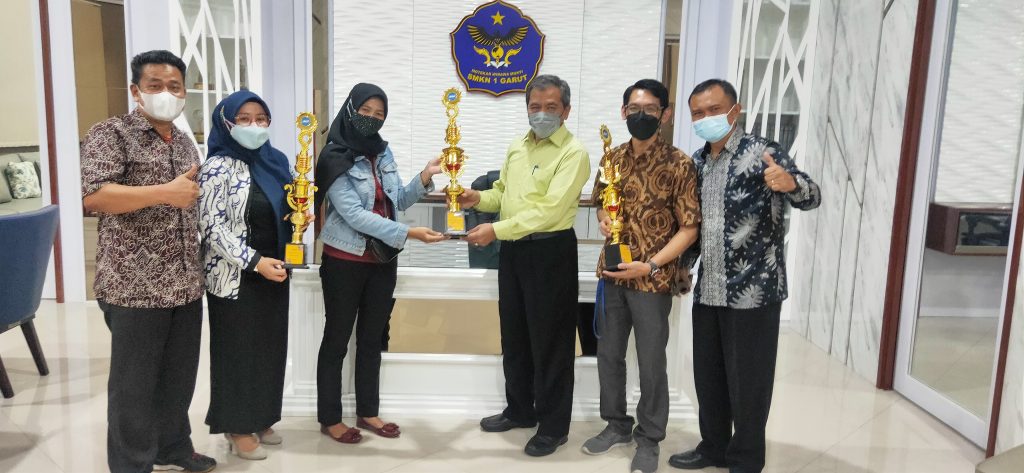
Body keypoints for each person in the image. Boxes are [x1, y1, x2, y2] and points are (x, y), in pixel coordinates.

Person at [668, 79, 821, 473]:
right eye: (698, 113)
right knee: (709, 378)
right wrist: (684, 264)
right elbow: (698, 225)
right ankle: (713, 448)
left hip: (754, 291)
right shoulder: (697, 163)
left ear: (734, 111)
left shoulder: (763, 152)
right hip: (709, 289)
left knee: (749, 384)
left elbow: (812, 195)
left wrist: (790, 183)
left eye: (714, 110)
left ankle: (746, 460)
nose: (706, 118)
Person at [80, 50, 216, 473]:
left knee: (178, 379)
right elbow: (94, 197)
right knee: (134, 387)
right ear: (136, 90)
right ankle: (131, 464)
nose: (166, 94)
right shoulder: (112, 133)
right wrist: (163, 193)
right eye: (155, 85)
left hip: (184, 282)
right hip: (134, 286)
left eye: (174, 86)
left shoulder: (184, 139)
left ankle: (171, 448)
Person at [457, 74, 592, 457]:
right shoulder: (517, 146)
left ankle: (553, 427)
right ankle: (519, 410)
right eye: (535, 107)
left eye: (551, 107)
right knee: (514, 335)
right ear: (527, 108)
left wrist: (495, 230)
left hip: (550, 252)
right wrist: (476, 198)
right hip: (514, 252)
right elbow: (502, 194)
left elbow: (550, 211)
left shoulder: (574, 153)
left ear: (566, 111)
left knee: (551, 343)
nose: (542, 114)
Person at [314, 83, 445, 444]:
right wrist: (409, 233)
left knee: (373, 339)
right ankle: (330, 418)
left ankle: (368, 411)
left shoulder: (382, 152)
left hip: (382, 260)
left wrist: (424, 176)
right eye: (365, 111)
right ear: (351, 110)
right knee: (337, 340)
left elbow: (397, 199)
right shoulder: (334, 156)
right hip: (345, 260)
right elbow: (354, 214)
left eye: (379, 114)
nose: (372, 119)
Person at [581, 79, 700, 473]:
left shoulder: (680, 163)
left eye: (650, 109)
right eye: (634, 108)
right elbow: (602, 204)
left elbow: (689, 228)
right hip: (612, 273)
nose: (641, 115)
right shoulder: (611, 158)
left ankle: (649, 439)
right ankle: (616, 425)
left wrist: (651, 265)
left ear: (665, 114)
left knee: (650, 362)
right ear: (623, 112)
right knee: (609, 356)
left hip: (652, 279)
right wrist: (605, 220)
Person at [198, 90, 297, 460]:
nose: (254, 125)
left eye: (261, 118)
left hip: (275, 271)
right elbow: (212, 227)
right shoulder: (216, 168)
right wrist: (255, 261)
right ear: (227, 123)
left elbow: (289, 205)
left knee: (270, 348)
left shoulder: (277, 160)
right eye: (244, 119)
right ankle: (237, 426)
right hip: (235, 275)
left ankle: (262, 416)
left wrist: (299, 218)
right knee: (238, 352)